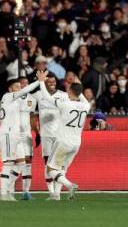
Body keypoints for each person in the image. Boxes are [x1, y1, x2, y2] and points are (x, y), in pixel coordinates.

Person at [37, 70, 90, 201]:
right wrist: (78, 85)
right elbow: (79, 94)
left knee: (51, 169)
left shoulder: (65, 104)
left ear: (70, 91)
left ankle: (69, 185)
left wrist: (41, 81)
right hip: (76, 143)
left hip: (62, 142)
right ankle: (56, 195)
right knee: (62, 169)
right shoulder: (86, 106)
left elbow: (47, 97)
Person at [0, 77, 40, 201]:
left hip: (17, 135)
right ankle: (4, 194)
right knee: (8, 164)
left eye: (20, 86)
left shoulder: (16, 101)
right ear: (10, 89)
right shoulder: (7, 97)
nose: (19, 89)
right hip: (7, 134)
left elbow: (27, 101)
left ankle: (9, 190)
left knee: (21, 164)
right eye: (16, 86)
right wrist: (39, 81)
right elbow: (24, 91)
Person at [32, 74, 68, 197]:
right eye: (49, 82)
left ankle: (58, 191)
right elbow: (28, 102)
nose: (52, 83)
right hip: (46, 135)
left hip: (60, 135)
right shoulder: (38, 94)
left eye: (54, 81)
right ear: (45, 83)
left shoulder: (63, 95)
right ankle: (51, 192)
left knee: (59, 164)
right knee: (47, 163)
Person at [14, 77, 40, 200]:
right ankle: (7, 189)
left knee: (28, 163)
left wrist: (37, 133)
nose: (24, 85)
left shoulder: (32, 99)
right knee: (16, 163)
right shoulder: (12, 97)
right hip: (15, 134)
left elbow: (33, 118)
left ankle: (26, 192)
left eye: (26, 83)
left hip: (27, 135)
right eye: (21, 84)